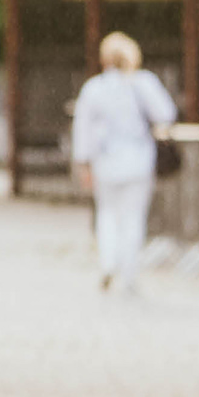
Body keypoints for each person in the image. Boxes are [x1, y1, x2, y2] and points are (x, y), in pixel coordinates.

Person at [72, 30, 177, 293]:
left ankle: (108, 262)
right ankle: (129, 273)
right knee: (133, 217)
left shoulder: (94, 88)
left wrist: (83, 163)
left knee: (107, 214)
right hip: (138, 160)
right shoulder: (143, 83)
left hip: (105, 161)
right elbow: (166, 112)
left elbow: (82, 128)